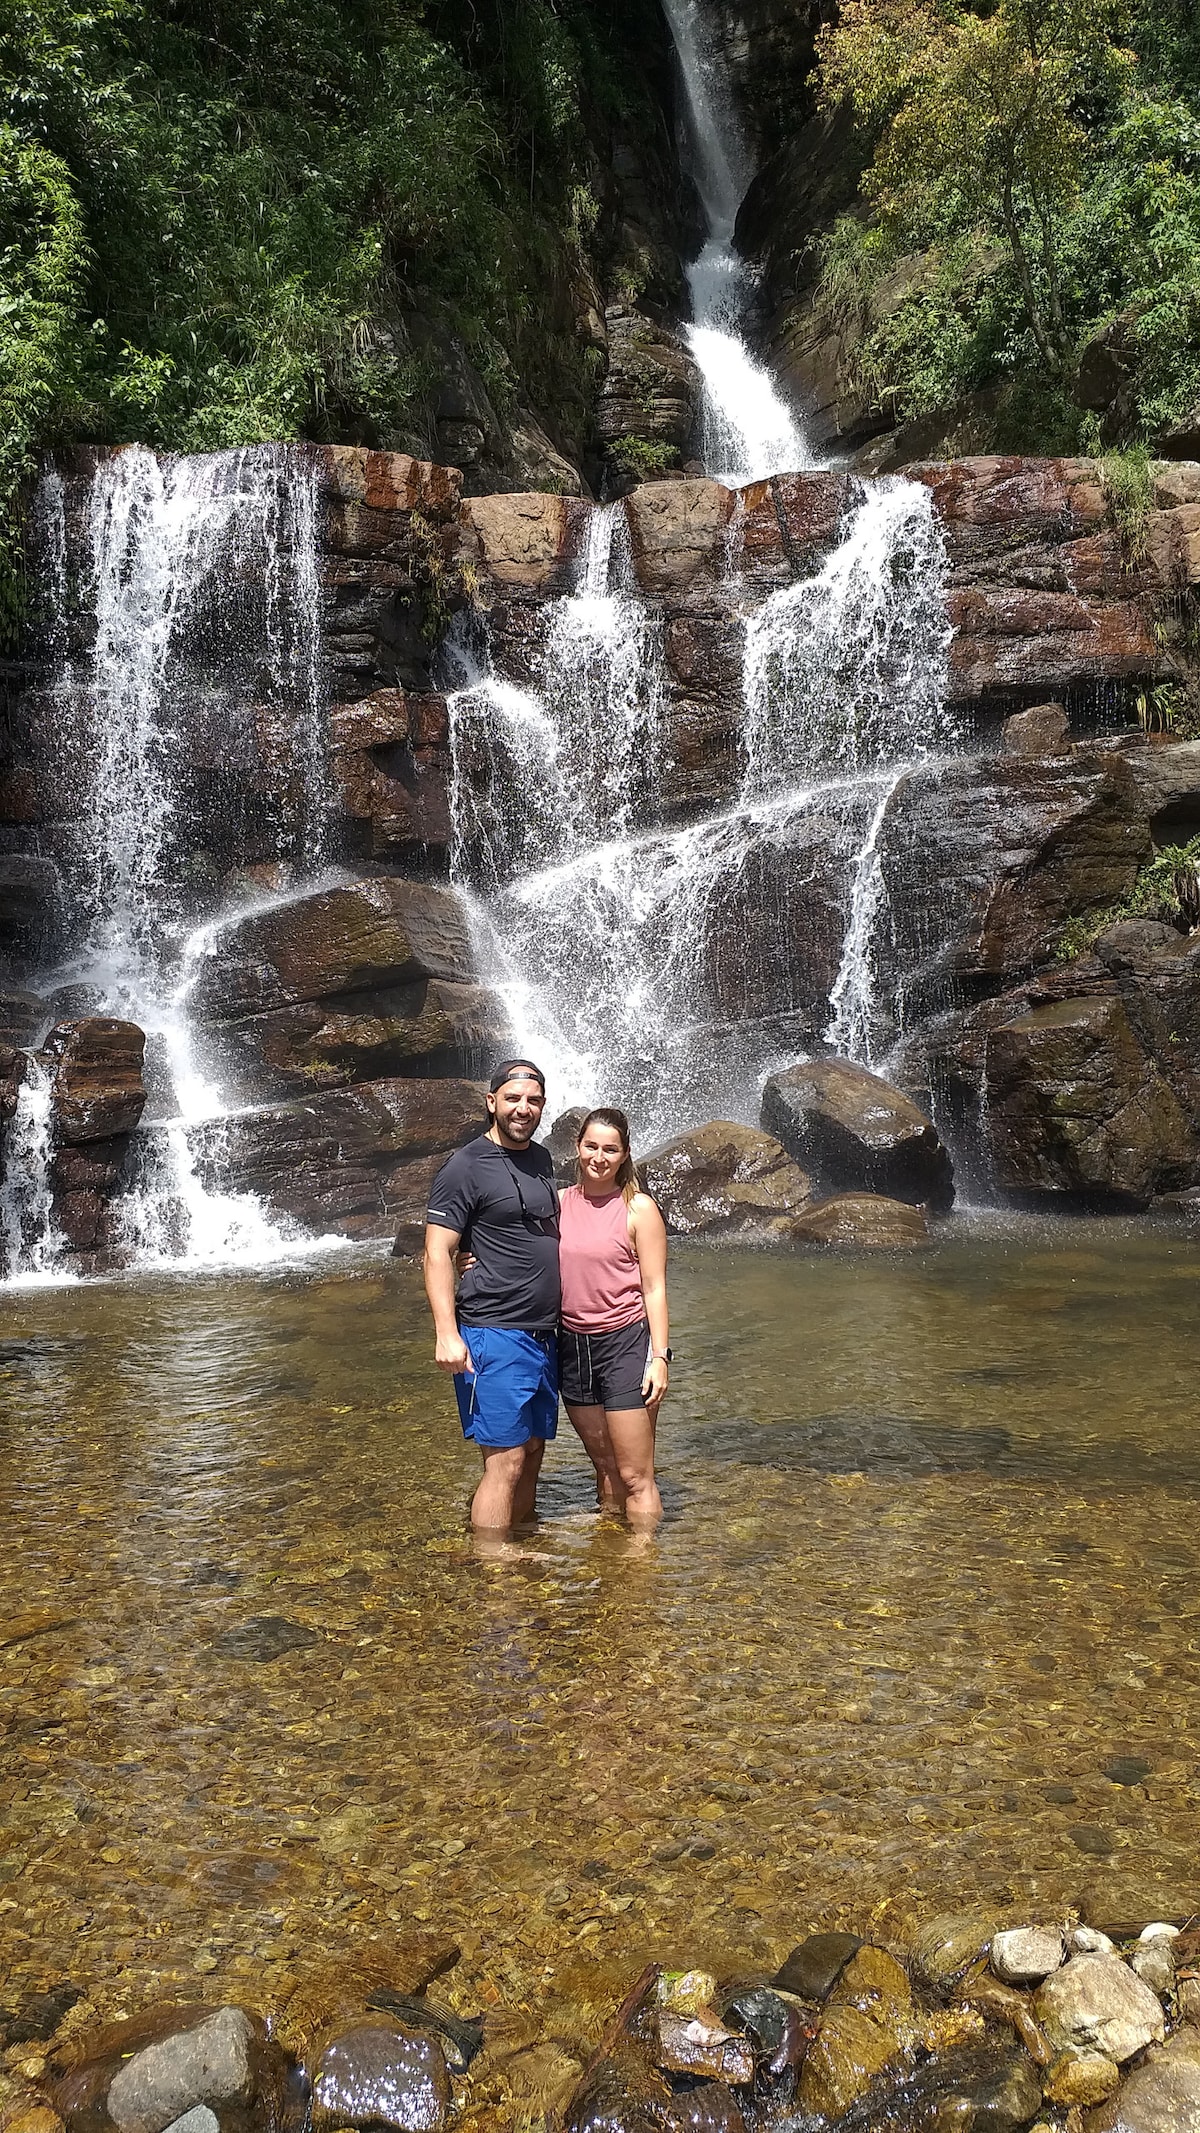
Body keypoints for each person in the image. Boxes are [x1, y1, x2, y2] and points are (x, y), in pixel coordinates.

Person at [423, 1060, 560, 1531]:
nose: (523, 1108)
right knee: (504, 1461)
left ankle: (520, 1542)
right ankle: (493, 1574)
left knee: (533, 1450)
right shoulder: (464, 1166)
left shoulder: (541, 1160)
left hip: (542, 1333)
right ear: (491, 1102)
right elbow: (437, 1251)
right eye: (513, 1098)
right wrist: (446, 1334)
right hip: (492, 1331)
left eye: (533, 1100)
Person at [558, 1107, 669, 1526]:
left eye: (610, 1149)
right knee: (604, 1465)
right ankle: (609, 1554)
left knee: (635, 1474)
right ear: (577, 1148)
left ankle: (640, 1567)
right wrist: (468, 1260)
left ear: (624, 1155)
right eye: (591, 1147)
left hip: (625, 1343)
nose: (599, 1157)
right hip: (572, 1346)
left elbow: (654, 1288)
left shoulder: (639, 1209)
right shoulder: (558, 1205)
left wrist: (660, 1357)